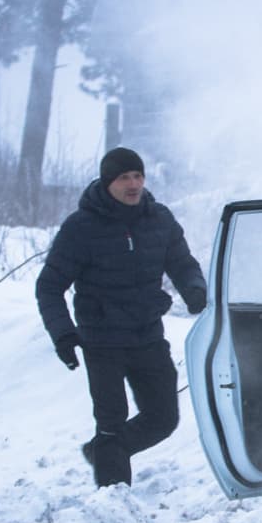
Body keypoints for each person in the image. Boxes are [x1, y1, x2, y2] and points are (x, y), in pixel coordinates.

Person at [36, 147, 207, 487]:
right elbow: (49, 286)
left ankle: (103, 451)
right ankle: (113, 501)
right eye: (124, 177)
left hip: (148, 336)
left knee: (163, 418)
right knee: (111, 423)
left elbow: (183, 263)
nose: (133, 184)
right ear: (107, 182)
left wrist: (195, 290)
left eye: (138, 176)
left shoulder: (160, 219)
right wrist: (64, 336)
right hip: (102, 342)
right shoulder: (81, 227)